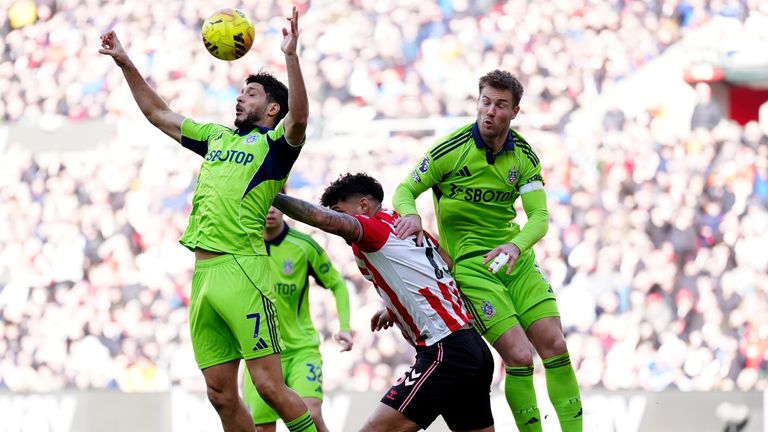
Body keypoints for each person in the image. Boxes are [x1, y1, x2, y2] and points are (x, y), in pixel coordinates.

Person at [99, 7, 319, 432]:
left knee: (270, 387)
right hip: (204, 275)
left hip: (244, 270)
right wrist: (125, 63)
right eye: (241, 90)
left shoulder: (276, 146)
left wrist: (291, 56)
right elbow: (158, 115)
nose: (240, 96)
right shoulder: (216, 138)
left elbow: (301, 118)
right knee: (220, 395)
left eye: (250, 92)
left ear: (273, 107)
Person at [392, 69, 582, 432]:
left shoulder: (524, 156)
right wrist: (412, 216)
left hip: (516, 261)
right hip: (471, 268)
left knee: (555, 345)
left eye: (500, 105)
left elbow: (540, 218)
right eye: (485, 102)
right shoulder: (450, 149)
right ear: (477, 103)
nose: (490, 111)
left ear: (515, 112)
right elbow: (404, 191)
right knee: (519, 355)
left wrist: (515, 245)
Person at [272, 173, 494, 432]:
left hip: (445, 351)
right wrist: (395, 307)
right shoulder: (405, 224)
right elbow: (443, 267)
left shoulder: (375, 230)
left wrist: (268, 193)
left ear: (363, 206)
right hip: (472, 347)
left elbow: (321, 219)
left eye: (341, 212)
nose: (339, 223)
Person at [243, 203, 354, 432]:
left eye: (276, 203)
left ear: (285, 205)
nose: (271, 210)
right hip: (260, 353)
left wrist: (344, 326)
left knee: (311, 413)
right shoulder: (242, 247)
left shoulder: (303, 246)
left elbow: (337, 284)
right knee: (263, 428)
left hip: (301, 349)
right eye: (265, 203)